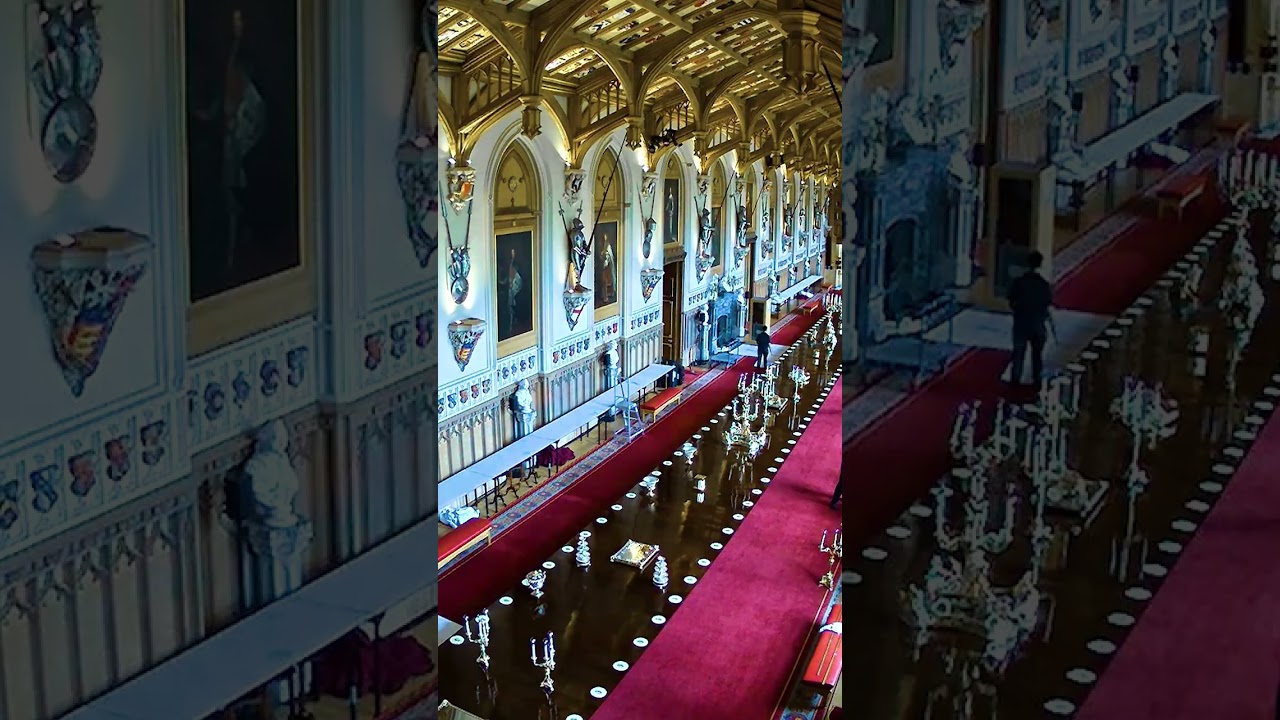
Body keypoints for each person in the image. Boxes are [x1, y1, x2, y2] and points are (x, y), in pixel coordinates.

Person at [1007, 251, 1056, 387]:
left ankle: (1015, 381)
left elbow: (1011, 301)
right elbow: (1048, 303)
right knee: (1037, 355)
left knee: (1018, 353)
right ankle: (1036, 380)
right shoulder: (1044, 285)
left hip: (1021, 322)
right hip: (1038, 324)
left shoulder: (1019, 282)